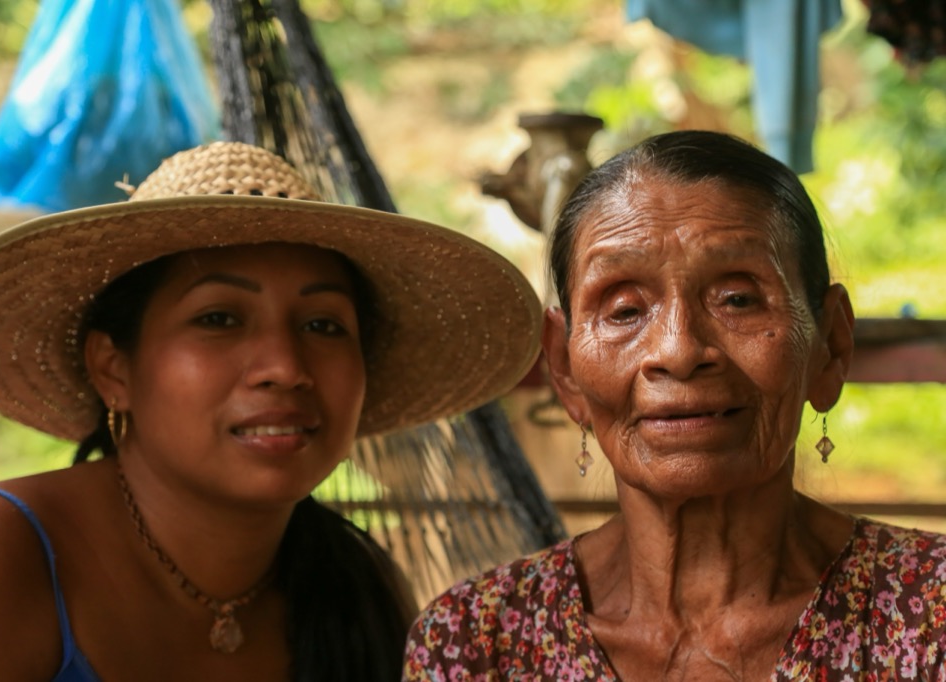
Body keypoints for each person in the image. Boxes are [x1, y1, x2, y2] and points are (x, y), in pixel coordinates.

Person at [0, 141, 542, 681]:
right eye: (218, 318)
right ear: (113, 368)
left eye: (324, 325)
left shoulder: (354, 588)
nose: (285, 366)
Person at [403, 130, 946, 680]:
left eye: (738, 299)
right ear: (563, 369)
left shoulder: (931, 617)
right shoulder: (474, 644)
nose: (678, 351)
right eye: (623, 310)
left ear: (830, 346)